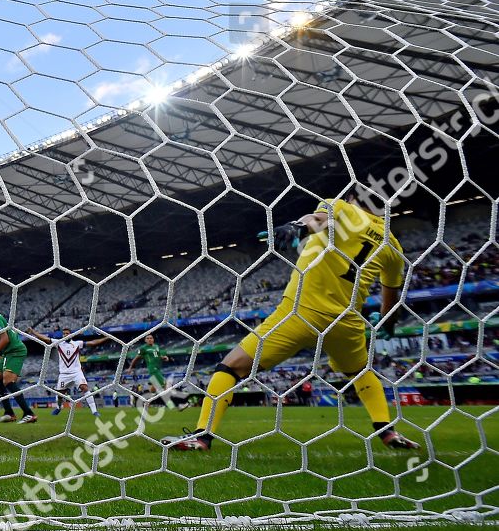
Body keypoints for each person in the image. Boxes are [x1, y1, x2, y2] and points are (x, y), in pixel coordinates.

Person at [165, 192, 419, 451]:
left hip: (300, 313)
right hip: (345, 323)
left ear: (354, 197)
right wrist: (388, 323)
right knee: (360, 372)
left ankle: (202, 437)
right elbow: (391, 296)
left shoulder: (343, 208)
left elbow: (319, 219)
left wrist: (297, 226)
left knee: (231, 368)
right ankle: (388, 433)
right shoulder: (392, 245)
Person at [31, 328, 110, 417]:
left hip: (77, 373)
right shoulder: (59, 343)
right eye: (64, 334)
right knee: (60, 394)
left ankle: (94, 411)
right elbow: (45, 339)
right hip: (64, 374)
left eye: (67, 333)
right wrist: (34, 332)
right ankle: (58, 407)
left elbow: (92, 343)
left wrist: (106, 338)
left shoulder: (77, 344)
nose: (65, 335)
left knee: (85, 388)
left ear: (71, 334)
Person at [128, 333, 187, 410]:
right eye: (148, 338)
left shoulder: (156, 347)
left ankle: (147, 402)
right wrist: (130, 367)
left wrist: (164, 358)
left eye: (151, 338)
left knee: (153, 389)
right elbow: (136, 358)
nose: (149, 339)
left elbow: (158, 356)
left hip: (158, 369)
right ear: (145, 340)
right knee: (167, 385)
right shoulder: (144, 348)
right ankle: (178, 405)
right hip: (153, 370)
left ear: (153, 339)